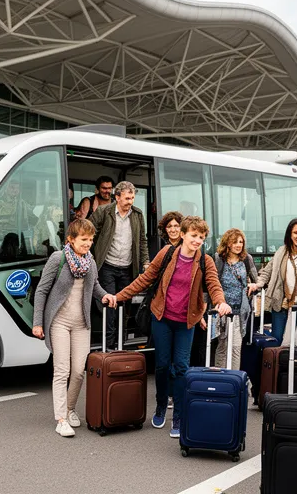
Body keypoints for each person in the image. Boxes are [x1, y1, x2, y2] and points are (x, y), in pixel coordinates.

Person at [112, 216, 231, 438]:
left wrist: (221, 302)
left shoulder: (205, 261)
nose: (197, 240)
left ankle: (178, 415)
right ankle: (160, 406)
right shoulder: (167, 254)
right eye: (194, 235)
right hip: (162, 318)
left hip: (186, 322)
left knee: (181, 367)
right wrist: (118, 297)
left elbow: (214, 285)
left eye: (201, 237)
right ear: (183, 234)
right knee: (162, 365)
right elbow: (145, 279)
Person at [31, 219, 115, 437]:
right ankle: (61, 419)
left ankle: (70, 409)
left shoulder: (90, 262)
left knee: (78, 372)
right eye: (84, 239)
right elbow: (41, 290)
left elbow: (94, 286)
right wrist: (37, 322)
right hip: (59, 321)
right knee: (62, 370)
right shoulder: (58, 259)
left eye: (91, 240)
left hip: (81, 324)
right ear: (71, 239)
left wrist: (105, 295)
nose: (88, 243)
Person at [89, 181, 149, 350]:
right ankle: (108, 346)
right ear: (117, 197)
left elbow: (142, 240)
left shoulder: (137, 214)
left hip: (128, 268)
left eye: (132, 198)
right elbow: (88, 232)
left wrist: (145, 262)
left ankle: (120, 345)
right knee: (110, 305)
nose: (130, 201)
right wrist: (89, 256)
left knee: (124, 306)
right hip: (107, 266)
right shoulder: (104, 211)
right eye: (127, 198)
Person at [253, 218, 297, 346]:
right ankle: (279, 359)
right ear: (290, 235)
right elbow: (267, 271)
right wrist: (258, 284)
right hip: (281, 300)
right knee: (277, 339)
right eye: (295, 233)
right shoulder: (281, 251)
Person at [213, 228, 258, 370]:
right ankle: (220, 376)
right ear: (227, 243)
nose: (239, 245)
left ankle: (234, 377)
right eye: (235, 242)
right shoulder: (219, 259)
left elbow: (256, 280)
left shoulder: (247, 259)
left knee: (236, 346)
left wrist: (254, 285)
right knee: (222, 345)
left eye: (241, 242)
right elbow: (212, 283)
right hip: (222, 310)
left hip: (240, 310)